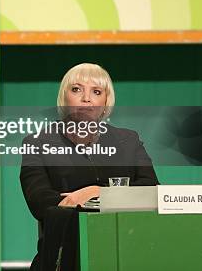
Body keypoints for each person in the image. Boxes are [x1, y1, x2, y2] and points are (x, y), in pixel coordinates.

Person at [20, 63, 158, 270]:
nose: (86, 98)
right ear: (64, 97)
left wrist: (96, 193)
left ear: (105, 102)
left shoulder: (128, 140)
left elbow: (151, 191)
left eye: (96, 91)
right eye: (76, 89)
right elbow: (41, 202)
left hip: (124, 254)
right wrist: (116, 197)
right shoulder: (37, 142)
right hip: (62, 256)